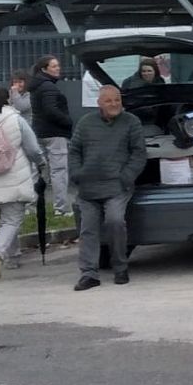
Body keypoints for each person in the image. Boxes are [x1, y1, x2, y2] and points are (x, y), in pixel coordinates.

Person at [69, 85, 146, 290]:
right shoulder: (86, 123)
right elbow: (74, 150)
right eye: (109, 101)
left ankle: (120, 267)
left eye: (117, 100)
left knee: (115, 221)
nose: (114, 104)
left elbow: (139, 154)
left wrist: (125, 177)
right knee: (88, 228)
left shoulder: (131, 122)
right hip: (88, 187)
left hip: (117, 186)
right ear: (99, 103)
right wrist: (77, 174)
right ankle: (89, 274)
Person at [0, 87, 45, 283]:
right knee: (12, 220)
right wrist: (41, 163)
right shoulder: (16, 119)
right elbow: (32, 148)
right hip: (15, 177)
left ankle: (12, 258)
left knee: (3, 220)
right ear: (8, 100)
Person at [28, 55, 73, 217]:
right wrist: (68, 122)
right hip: (55, 133)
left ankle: (31, 206)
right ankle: (61, 209)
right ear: (44, 69)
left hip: (39, 132)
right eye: (54, 66)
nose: (58, 68)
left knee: (39, 170)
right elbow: (51, 110)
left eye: (58, 65)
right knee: (59, 171)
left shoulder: (36, 85)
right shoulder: (49, 87)